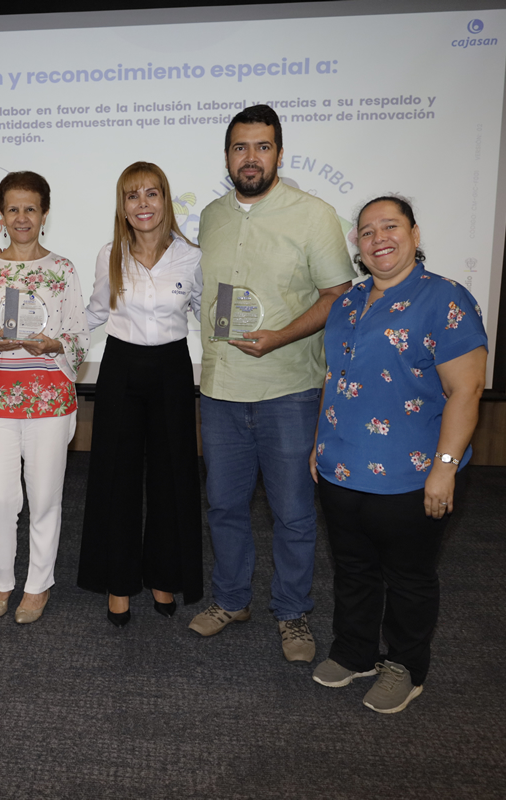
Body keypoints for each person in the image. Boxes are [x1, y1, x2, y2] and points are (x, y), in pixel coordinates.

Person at [189, 105, 355, 664]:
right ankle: (231, 600)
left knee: (293, 512)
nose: (251, 158)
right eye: (240, 147)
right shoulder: (210, 217)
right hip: (220, 391)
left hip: (289, 389)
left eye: (262, 147)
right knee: (224, 507)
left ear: (279, 153)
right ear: (228, 155)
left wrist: (281, 336)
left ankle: (292, 613)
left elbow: (337, 295)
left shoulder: (313, 214)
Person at [309, 196, 487, 713]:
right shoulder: (346, 304)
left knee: (408, 577)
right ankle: (355, 650)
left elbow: (466, 391)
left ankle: (406, 666)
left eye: (390, 226)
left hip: (413, 478)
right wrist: (318, 446)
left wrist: (445, 470)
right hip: (341, 468)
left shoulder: (446, 300)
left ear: (413, 232)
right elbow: (333, 379)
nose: (378, 238)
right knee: (352, 568)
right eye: (367, 231)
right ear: (357, 247)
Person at [76, 162, 204, 627]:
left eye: (152, 194)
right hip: (121, 367)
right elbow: (92, 312)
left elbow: (212, 314)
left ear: (166, 200)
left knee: (173, 477)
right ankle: (119, 581)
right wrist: (49, 332)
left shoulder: (191, 257)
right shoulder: (110, 254)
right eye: (133, 196)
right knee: (116, 476)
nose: (143, 204)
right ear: (123, 207)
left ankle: (165, 577)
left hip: (171, 368)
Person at [0, 171, 88, 624]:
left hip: (49, 398)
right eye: (12, 208)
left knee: (45, 495)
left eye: (30, 208)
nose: (21, 217)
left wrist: (55, 345)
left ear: (45, 213)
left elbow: (79, 336)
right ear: (1, 216)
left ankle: (37, 584)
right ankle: (2, 580)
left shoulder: (63, 269)